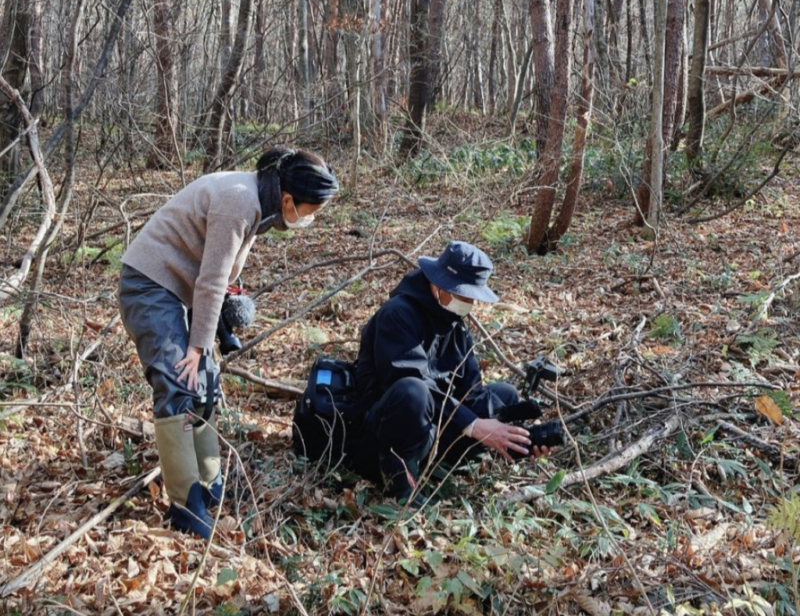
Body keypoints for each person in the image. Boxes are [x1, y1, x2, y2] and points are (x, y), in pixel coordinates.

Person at [118, 147, 338, 539]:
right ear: (289, 199)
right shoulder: (240, 202)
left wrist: (217, 331)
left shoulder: (262, 203)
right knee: (177, 381)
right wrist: (197, 346)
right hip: (150, 284)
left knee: (206, 383)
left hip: (179, 290)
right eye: (310, 210)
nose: (311, 218)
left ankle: (209, 482)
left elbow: (221, 273)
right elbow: (211, 280)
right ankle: (187, 507)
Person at [354, 240, 546, 505]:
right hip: (382, 436)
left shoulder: (455, 324)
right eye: (464, 295)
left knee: (505, 393)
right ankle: (401, 487)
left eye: (472, 297)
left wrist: (513, 425)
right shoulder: (397, 315)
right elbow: (409, 384)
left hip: (432, 428)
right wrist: (476, 425)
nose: (469, 303)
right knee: (414, 391)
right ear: (439, 284)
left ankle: (448, 463)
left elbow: (471, 391)